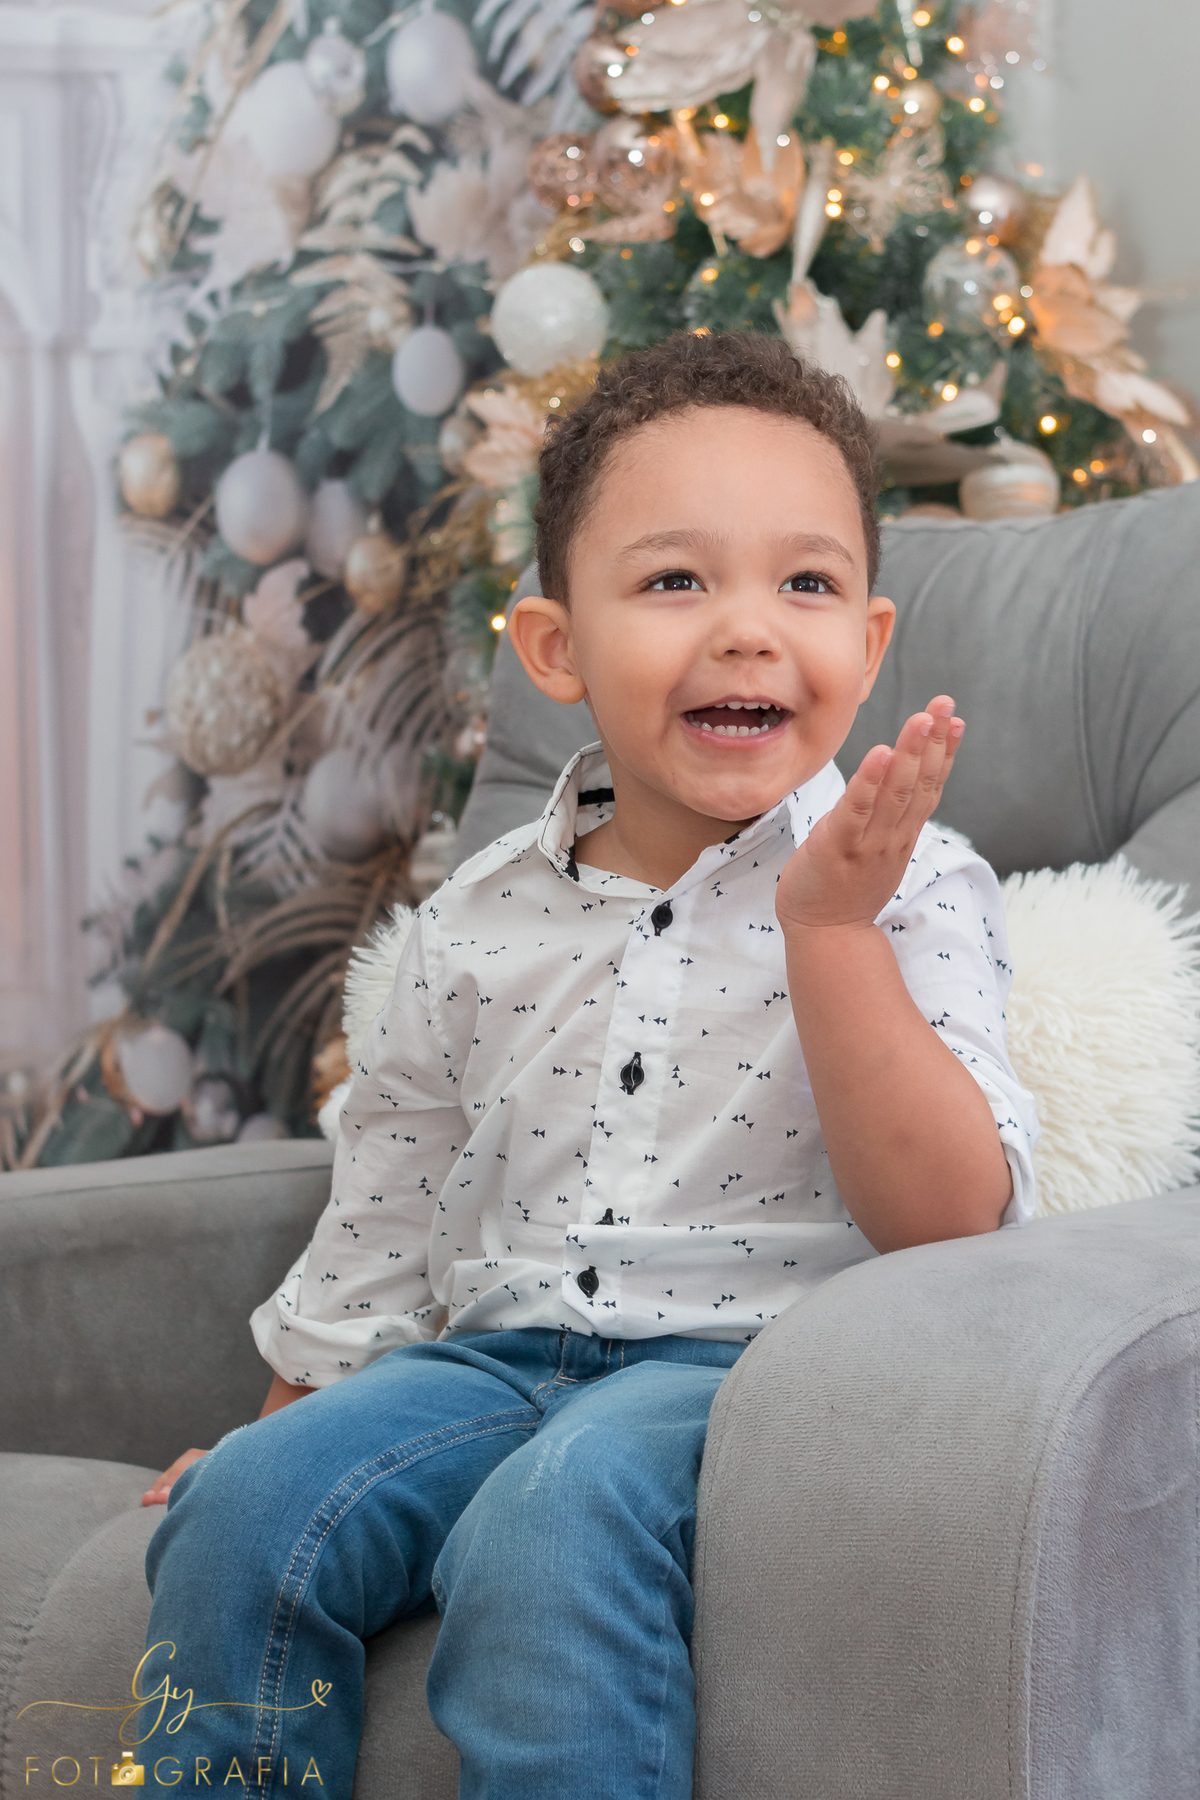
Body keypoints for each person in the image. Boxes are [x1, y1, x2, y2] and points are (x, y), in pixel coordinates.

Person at [138, 330, 1039, 1800]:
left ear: (869, 645)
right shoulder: (475, 917)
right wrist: (285, 1440)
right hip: (491, 1361)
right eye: (677, 580)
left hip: (752, 1374)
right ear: (556, 647)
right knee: (242, 1513)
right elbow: (388, 1208)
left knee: (548, 1522)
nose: (748, 631)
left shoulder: (915, 887)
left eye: (805, 585)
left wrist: (827, 932)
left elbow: (951, 1217)